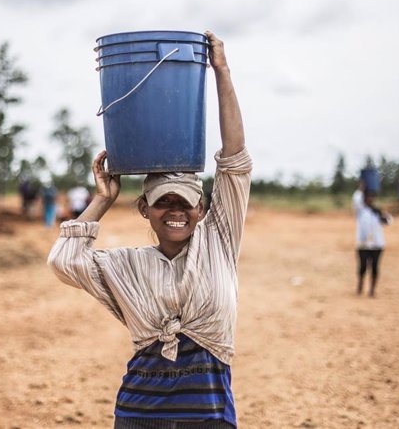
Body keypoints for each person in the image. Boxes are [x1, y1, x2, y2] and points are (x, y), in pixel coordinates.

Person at [48, 31, 250, 429]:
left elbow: (235, 162)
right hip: (140, 416)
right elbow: (64, 260)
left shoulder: (218, 244)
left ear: (202, 207)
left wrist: (221, 72)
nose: (176, 211)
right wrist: (102, 199)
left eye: (185, 202)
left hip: (208, 419)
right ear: (145, 209)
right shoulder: (128, 266)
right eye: (163, 202)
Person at [352, 181, 392, 297]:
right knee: (362, 266)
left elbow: (389, 221)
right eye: (367, 196)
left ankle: (372, 290)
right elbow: (356, 200)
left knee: (374, 267)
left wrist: (384, 217)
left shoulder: (377, 212)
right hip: (363, 244)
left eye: (372, 197)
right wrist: (360, 189)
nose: (370, 199)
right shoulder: (360, 211)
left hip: (377, 245)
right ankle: (360, 286)